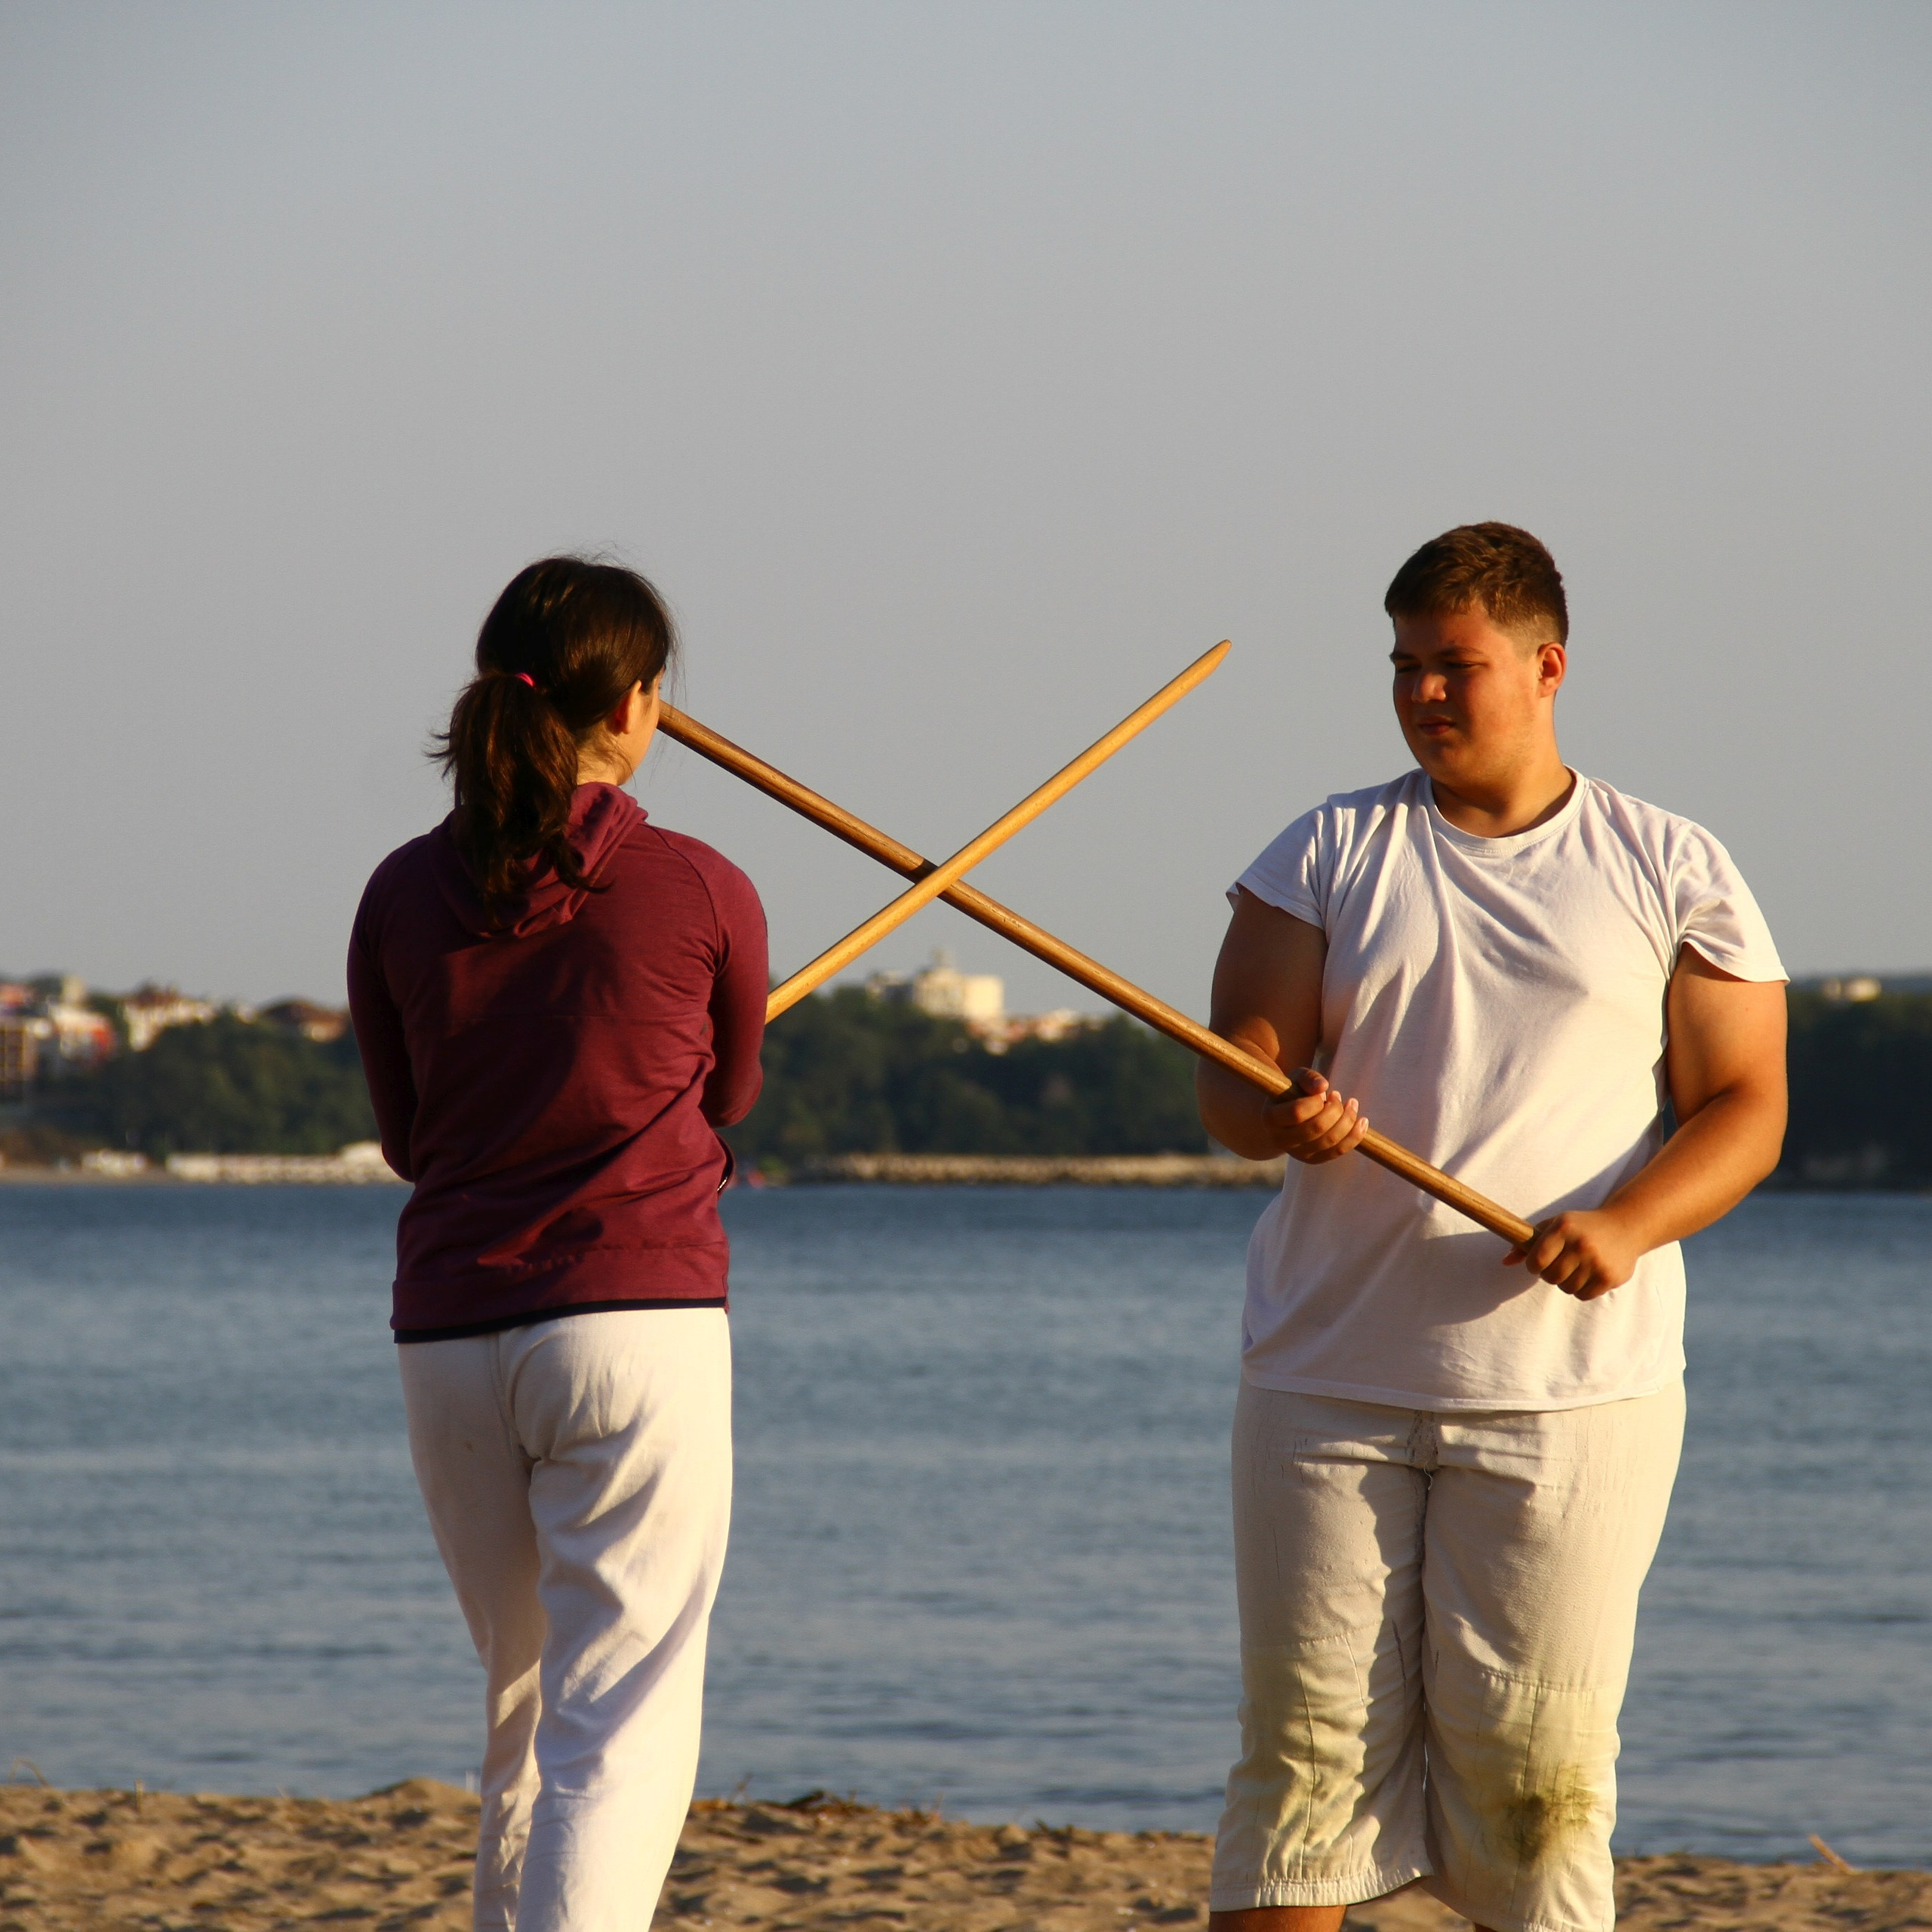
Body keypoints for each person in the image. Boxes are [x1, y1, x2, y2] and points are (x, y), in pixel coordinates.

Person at [1195, 524, 1787, 1932]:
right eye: (1403, 665)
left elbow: (1748, 1106)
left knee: (1539, 1789)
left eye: (1453, 666)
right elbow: (1234, 1078)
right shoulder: (1324, 850)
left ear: (1546, 667)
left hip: (1571, 1397)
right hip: (1327, 1379)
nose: (1422, 693)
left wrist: (1628, 1224)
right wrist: (1286, 1111)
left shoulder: (1672, 863)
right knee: (1299, 1777)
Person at [347, 557, 767, 1932]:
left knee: (525, 1710)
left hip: (449, 1340)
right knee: (621, 1724)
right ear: (636, 704)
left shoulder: (398, 893)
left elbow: (409, 1138)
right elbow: (731, 1099)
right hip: (632, 1327)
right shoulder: (700, 884)